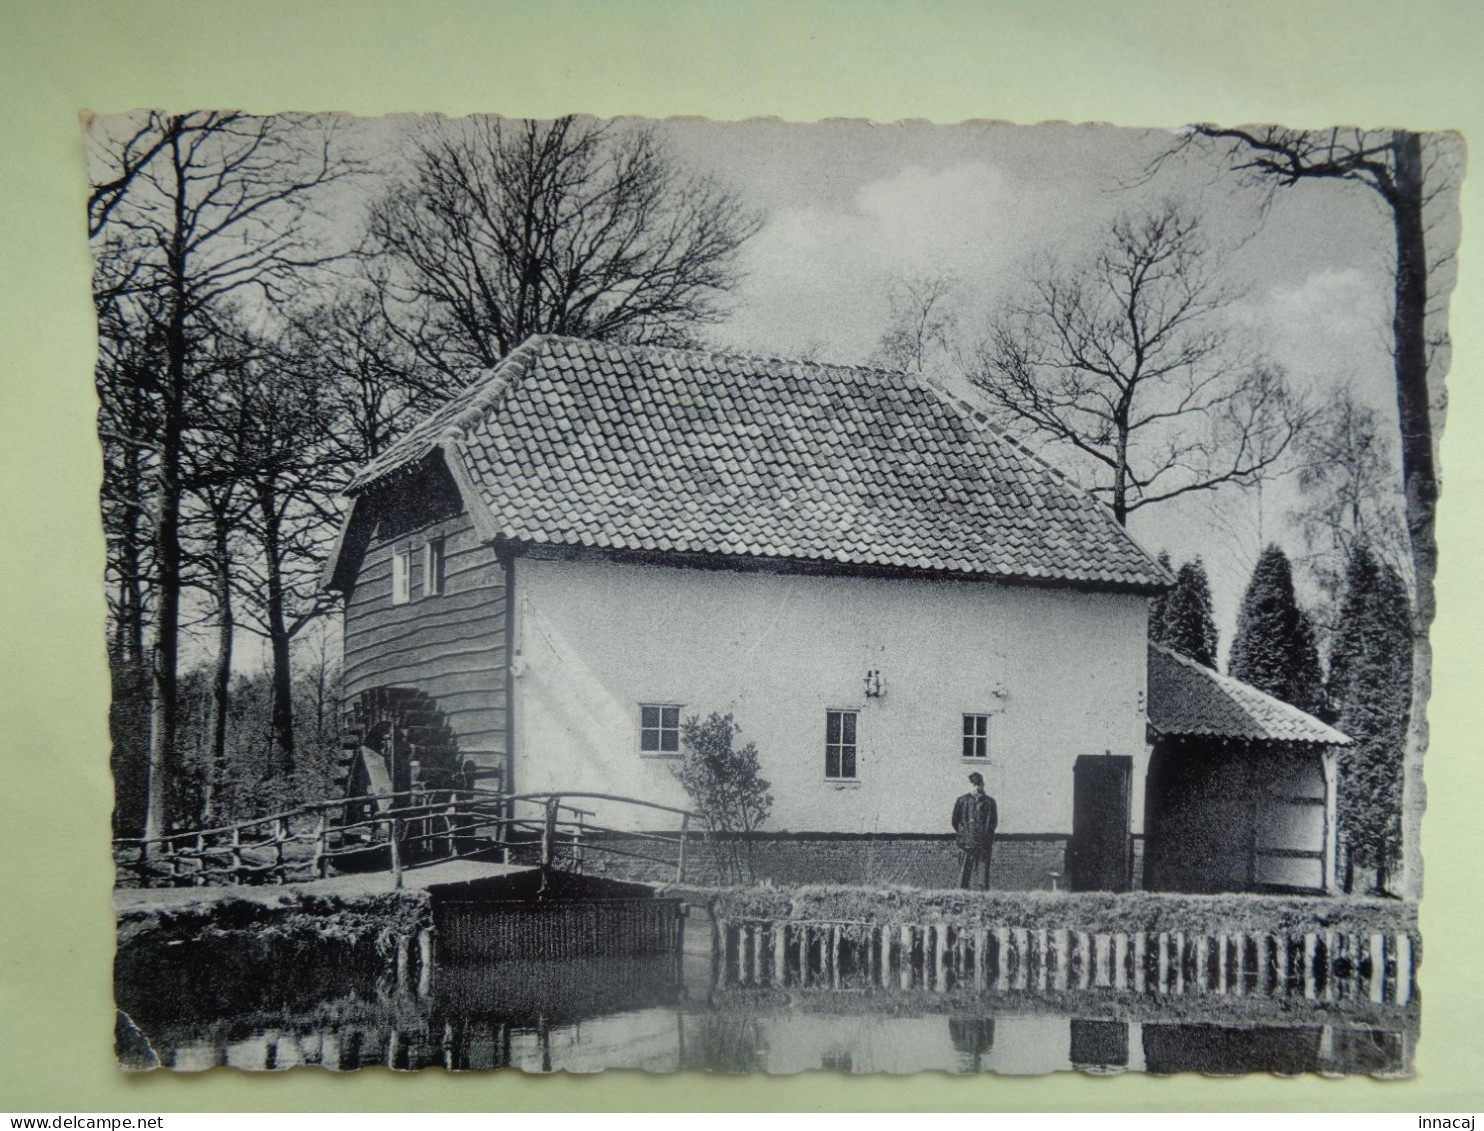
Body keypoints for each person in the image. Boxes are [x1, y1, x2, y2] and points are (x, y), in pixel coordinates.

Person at [952, 771, 997, 890]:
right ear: (969, 786)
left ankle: (982, 897)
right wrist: (963, 835)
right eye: (973, 785)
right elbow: (955, 821)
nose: (976, 788)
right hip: (967, 842)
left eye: (979, 785)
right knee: (963, 875)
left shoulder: (990, 803)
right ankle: (961, 895)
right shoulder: (962, 801)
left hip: (983, 843)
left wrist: (988, 838)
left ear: (983, 785)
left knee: (983, 875)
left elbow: (993, 822)